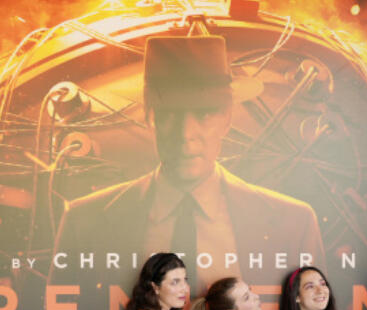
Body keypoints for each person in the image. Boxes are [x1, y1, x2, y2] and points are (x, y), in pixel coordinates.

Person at [51, 34, 325, 292]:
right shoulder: (83, 222)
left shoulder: (294, 225)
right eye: (171, 114)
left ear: (227, 118)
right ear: (150, 116)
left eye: (204, 114)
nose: (186, 134)